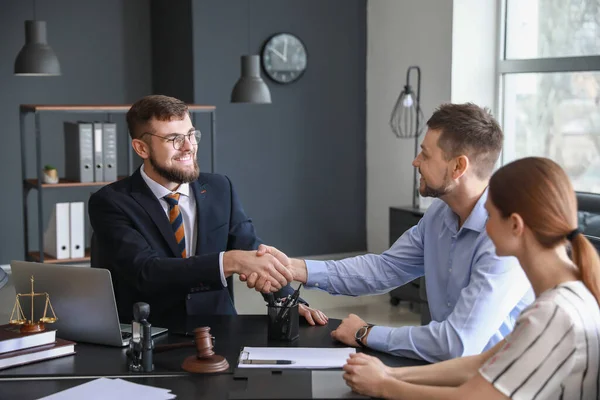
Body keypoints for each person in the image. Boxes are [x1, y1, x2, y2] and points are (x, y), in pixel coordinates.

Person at [251, 103, 533, 362]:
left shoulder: (505, 240)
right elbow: (383, 269)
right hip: (443, 372)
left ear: (458, 166)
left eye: (425, 153)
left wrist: (366, 333)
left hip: (494, 383)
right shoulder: (438, 215)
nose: (415, 161)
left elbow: (456, 343)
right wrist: (293, 268)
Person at [342, 157, 600, 399]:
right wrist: (390, 372)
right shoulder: (566, 296)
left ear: (515, 225)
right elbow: (481, 363)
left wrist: (384, 385)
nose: (482, 226)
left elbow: (471, 396)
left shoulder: (553, 314)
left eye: (489, 216)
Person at [89, 94, 327, 325]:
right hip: (154, 334)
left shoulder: (219, 187)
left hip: (221, 328)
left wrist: (287, 301)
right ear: (142, 148)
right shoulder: (111, 202)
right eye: (174, 139)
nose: (188, 147)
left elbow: (250, 248)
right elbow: (145, 272)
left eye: (191, 135)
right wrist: (230, 261)